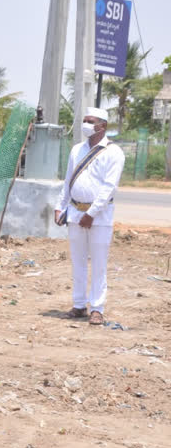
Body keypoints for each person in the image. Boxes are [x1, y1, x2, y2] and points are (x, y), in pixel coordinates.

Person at [56, 107, 125, 326]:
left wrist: (92, 213)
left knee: (98, 263)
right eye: (84, 120)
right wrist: (60, 206)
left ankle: (97, 308)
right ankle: (78, 305)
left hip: (100, 216)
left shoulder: (114, 153)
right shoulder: (77, 150)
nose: (85, 123)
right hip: (75, 212)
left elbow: (108, 188)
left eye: (90, 121)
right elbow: (68, 181)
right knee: (78, 262)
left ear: (102, 126)